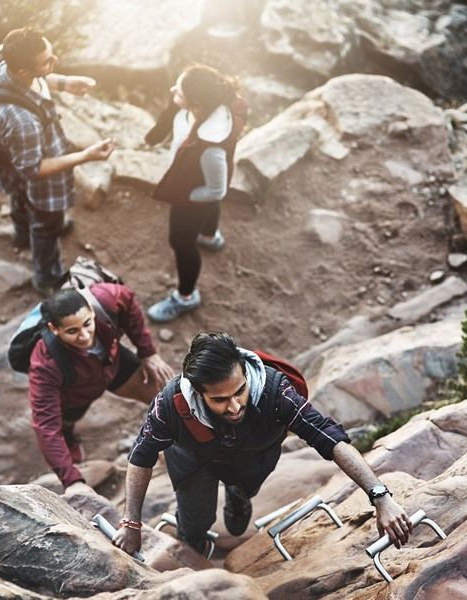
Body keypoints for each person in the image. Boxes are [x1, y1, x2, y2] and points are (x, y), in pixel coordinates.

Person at [113, 331, 412, 555]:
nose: (234, 407)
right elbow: (141, 456)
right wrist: (132, 523)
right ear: (198, 392)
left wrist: (381, 496)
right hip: (195, 461)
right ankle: (196, 548)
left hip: (252, 458)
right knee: (194, 522)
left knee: (240, 509)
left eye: (239, 392)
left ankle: (238, 495)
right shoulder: (170, 403)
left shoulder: (274, 392)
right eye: (219, 400)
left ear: (244, 372)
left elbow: (331, 438)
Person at [0, 27, 116, 296]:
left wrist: (64, 82)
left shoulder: (4, 61)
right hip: (39, 176)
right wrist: (86, 156)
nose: (54, 61)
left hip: (15, 162)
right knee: (47, 224)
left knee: (20, 196)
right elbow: (34, 170)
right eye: (47, 61)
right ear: (23, 71)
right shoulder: (21, 121)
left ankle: (22, 235)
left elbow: (39, 79)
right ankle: (45, 278)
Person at [28, 283, 174, 495]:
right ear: (54, 329)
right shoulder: (45, 363)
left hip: (112, 363)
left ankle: (182, 440)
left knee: (162, 393)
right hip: (73, 391)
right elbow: (45, 425)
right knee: (63, 425)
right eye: (72, 331)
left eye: (88, 324)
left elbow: (129, 302)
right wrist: (72, 481)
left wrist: (147, 352)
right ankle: (70, 442)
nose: (85, 336)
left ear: (90, 309)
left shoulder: (104, 300)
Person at [144, 65, 247, 322]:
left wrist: (184, 198)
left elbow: (216, 190)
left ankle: (186, 297)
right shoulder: (207, 107)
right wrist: (174, 105)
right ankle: (210, 236)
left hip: (192, 194)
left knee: (180, 241)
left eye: (178, 92)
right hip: (195, 180)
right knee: (208, 210)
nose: (172, 92)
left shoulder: (211, 148)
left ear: (197, 102)